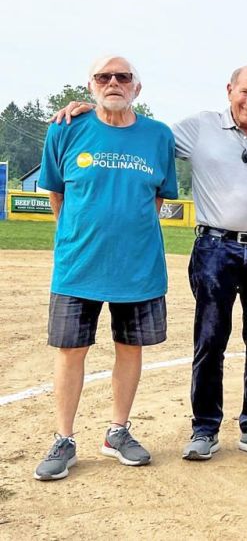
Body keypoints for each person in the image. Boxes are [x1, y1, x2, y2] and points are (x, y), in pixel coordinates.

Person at [53, 66, 247, 462]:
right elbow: (142, 133)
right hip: (214, 248)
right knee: (210, 341)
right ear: (229, 91)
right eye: (244, 92)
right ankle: (205, 428)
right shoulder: (198, 128)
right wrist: (98, 109)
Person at [34, 56, 178, 481]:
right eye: (104, 76)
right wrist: (81, 234)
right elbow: (56, 194)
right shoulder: (65, 128)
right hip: (78, 265)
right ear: (91, 84)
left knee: (129, 348)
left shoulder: (158, 136)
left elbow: (157, 199)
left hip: (138, 268)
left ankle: (118, 431)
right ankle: (64, 438)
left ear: (137, 87)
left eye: (123, 76)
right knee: (71, 351)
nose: (113, 82)